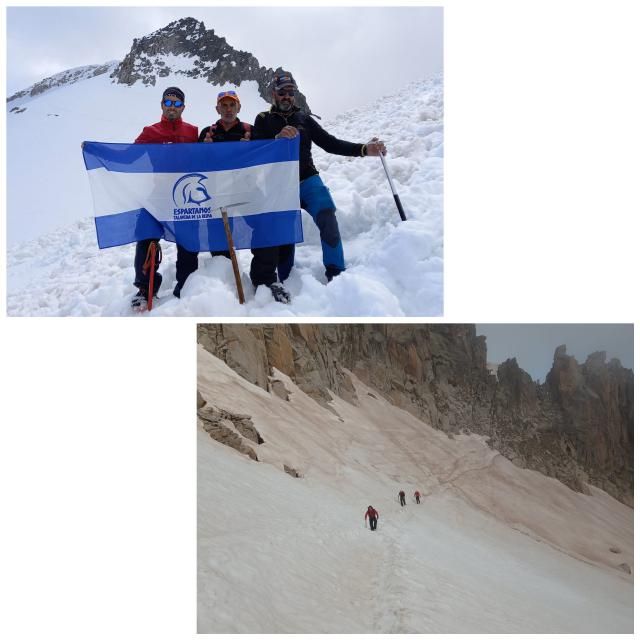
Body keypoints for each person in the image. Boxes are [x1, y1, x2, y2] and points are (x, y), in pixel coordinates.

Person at [252, 71, 387, 289]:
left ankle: (336, 274)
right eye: (282, 92)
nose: (287, 96)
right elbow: (255, 150)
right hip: (278, 185)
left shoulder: (304, 119)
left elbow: (330, 143)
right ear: (273, 94)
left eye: (290, 92)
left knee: (327, 216)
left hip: (307, 180)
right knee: (285, 233)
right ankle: (286, 277)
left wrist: (364, 149)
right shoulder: (263, 119)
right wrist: (276, 139)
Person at [170, 89, 251, 297]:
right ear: (217, 109)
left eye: (232, 105)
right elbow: (197, 165)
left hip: (240, 194)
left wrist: (251, 149)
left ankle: (230, 281)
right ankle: (190, 282)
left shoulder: (250, 131)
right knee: (203, 236)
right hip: (212, 194)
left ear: (239, 108)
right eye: (224, 105)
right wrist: (203, 150)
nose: (228, 109)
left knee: (225, 237)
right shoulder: (208, 132)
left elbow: (267, 155)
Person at [131, 86, 199, 308]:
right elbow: (130, 156)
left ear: (183, 107)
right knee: (146, 236)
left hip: (183, 196)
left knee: (188, 240)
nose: (172, 107)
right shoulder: (150, 131)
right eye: (168, 103)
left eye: (177, 103)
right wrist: (98, 151)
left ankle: (186, 283)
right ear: (162, 105)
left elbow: (205, 158)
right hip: (158, 194)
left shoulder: (192, 132)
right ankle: (145, 286)